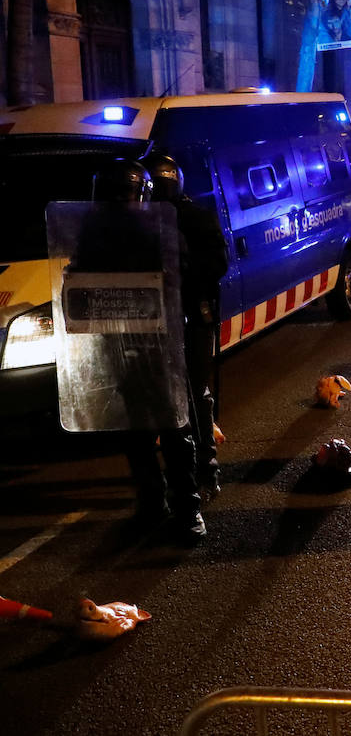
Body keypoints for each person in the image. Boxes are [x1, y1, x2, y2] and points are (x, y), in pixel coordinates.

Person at [81, 160, 204, 542]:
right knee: (136, 429)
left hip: (159, 343)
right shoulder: (94, 233)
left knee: (172, 425)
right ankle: (154, 503)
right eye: (115, 195)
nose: (121, 202)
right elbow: (78, 281)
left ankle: (187, 508)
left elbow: (181, 276)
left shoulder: (162, 230)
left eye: (126, 194)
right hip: (119, 341)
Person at [144, 152, 229, 497]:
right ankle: (178, 471)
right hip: (151, 321)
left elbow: (216, 264)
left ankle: (205, 467)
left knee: (194, 394)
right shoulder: (137, 222)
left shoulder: (194, 218)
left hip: (190, 316)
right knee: (166, 397)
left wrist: (180, 271)